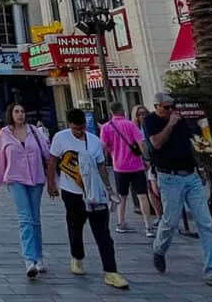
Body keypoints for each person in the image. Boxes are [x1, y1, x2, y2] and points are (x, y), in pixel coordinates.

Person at [144, 93, 212, 292]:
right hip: (169, 177)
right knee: (170, 221)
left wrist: (200, 168)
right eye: (165, 107)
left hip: (190, 176)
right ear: (157, 106)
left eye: (172, 106)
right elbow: (156, 143)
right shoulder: (151, 121)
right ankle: (159, 249)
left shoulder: (182, 121)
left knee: (206, 223)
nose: (170, 110)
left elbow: (193, 144)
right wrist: (171, 124)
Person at [49, 108, 129, 290]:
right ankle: (77, 256)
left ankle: (111, 271)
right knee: (75, 226)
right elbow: (52, 161)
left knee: (103, 233)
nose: (79, 131)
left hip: (95, 192)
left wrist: (108, 188)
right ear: (69, 125)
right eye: (76, 128)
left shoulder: (94, 141)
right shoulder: (60, 138)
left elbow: (101, 166)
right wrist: (51, 183)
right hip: (72, 192)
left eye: (82, 128)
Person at [0, 104, 58, 278]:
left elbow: (48, 156)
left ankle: (39, 257)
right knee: (25, 219)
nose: (20, 114)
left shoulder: (35, 132)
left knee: (35, 220)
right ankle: (29, 260)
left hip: (36, 179)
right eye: (17, 111)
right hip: (16, 180)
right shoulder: (4, 133)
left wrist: (53, 181)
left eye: (22, 111)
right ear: (10, 114)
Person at [101, 102, 155, 237]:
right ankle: (148, 226)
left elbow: (103, 146)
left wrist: (112, 153)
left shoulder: (107, 127)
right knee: (142, 195)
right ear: (123, 111)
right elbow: (141, 142)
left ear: (111, 112)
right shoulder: (130, 124)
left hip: (119, 166)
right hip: (136, 165)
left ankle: (121, 223)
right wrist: (146, 159)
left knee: (121, 196)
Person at [131, 105, 163, 220]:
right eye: (139, 114)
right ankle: (159, 216)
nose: (142, 116)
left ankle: (163, 214)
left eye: (144, 113)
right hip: (144, 161)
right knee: (151, 189)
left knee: (157, 188)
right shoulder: (135, 128)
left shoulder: (151, 125)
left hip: (157, 159)